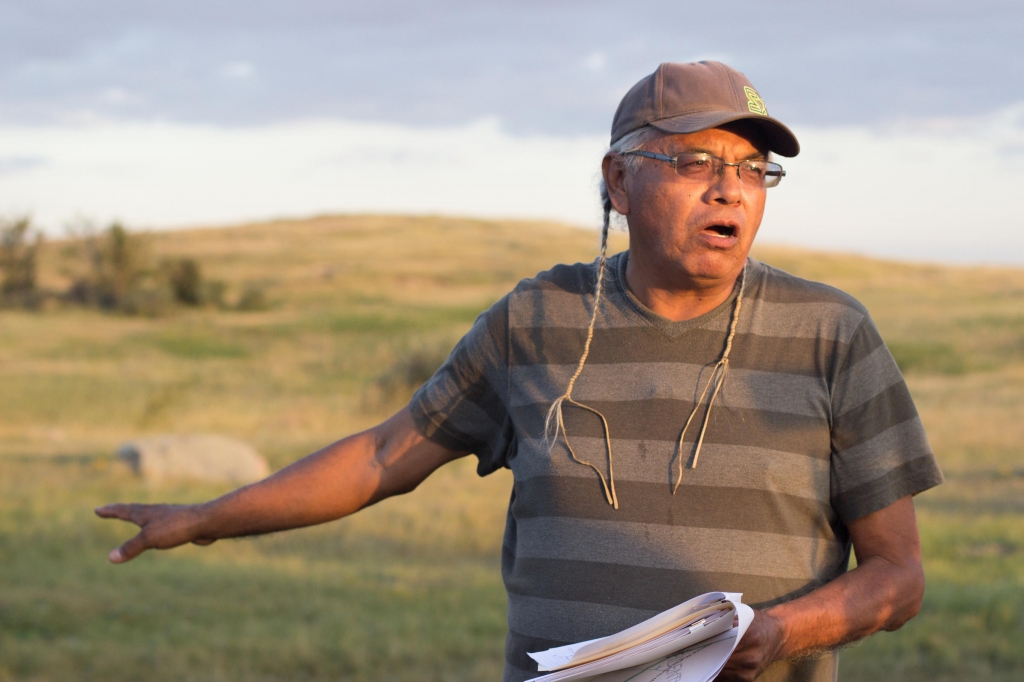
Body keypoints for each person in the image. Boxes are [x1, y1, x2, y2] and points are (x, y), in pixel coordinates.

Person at [96, 61, 943, 682]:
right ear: (618, 180)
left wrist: (776, 635)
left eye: (754, 170)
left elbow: (896, 580)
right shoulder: (536, 320)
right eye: (695, 163)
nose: (732, 190)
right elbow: (382, 458)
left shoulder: (831, 332)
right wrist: (208, 516)